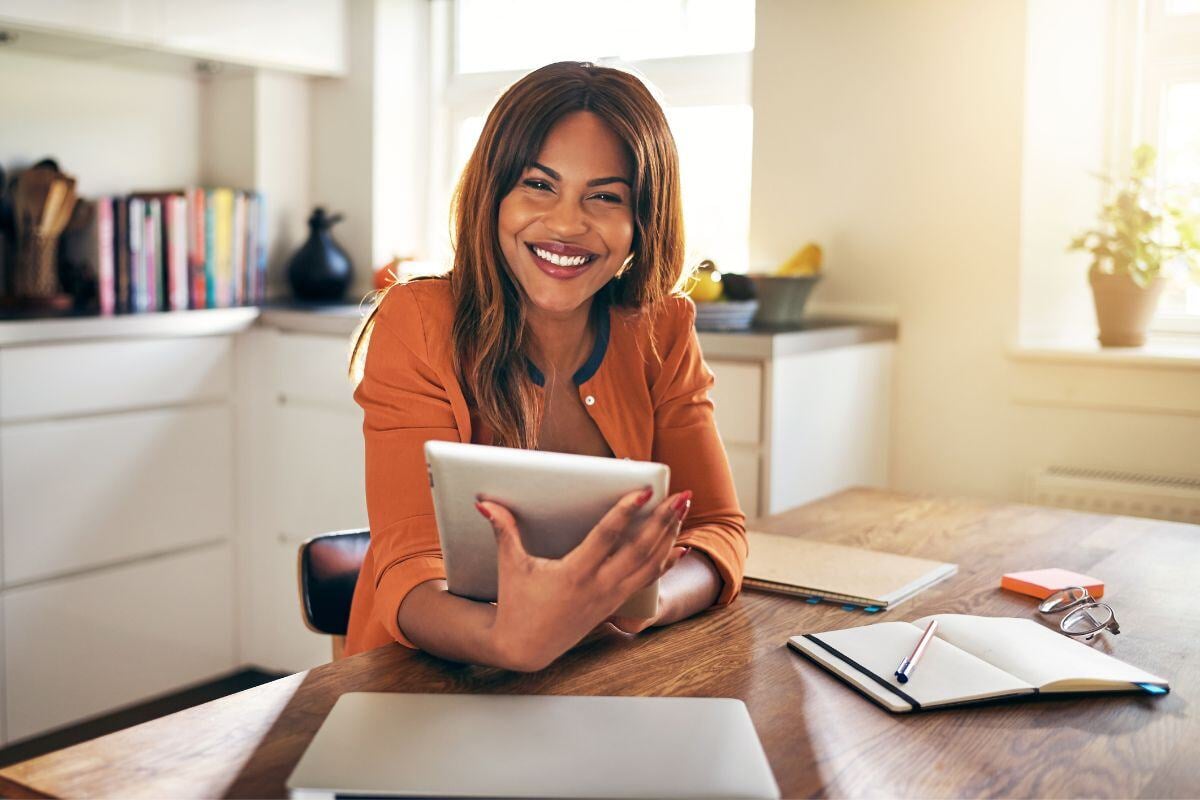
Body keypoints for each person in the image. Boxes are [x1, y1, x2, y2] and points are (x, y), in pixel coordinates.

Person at [343, 61, 747, 671]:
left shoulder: (662, 328)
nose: (565, 223)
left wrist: (643, 602)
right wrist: (510, 640)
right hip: (432, 678)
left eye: (606, 196)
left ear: (644, 221)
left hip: (600, 668)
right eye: (538, 185)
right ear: (492, 194)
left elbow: (718, 531)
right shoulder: (420, 320)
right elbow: (408, 567)